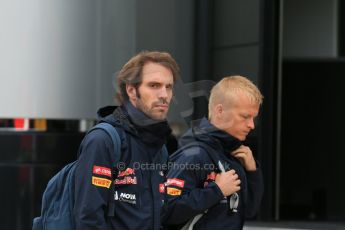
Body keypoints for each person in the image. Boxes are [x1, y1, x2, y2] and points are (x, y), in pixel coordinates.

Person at [73, 51, 180, 229]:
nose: (164, 95)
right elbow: (88, 219)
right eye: (154, 85)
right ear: (131, 90)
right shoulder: (103, 140)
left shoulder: (159, 146)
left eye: (168, 87)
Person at [162, 76, 264, 229]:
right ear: (220, 111)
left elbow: (249, 211)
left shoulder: (233, 154)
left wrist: (252, 172)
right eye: (245, 116)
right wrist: (216, 191)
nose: (251, 125)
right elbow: (167, 210)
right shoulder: (194, 154)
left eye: (253, 118)